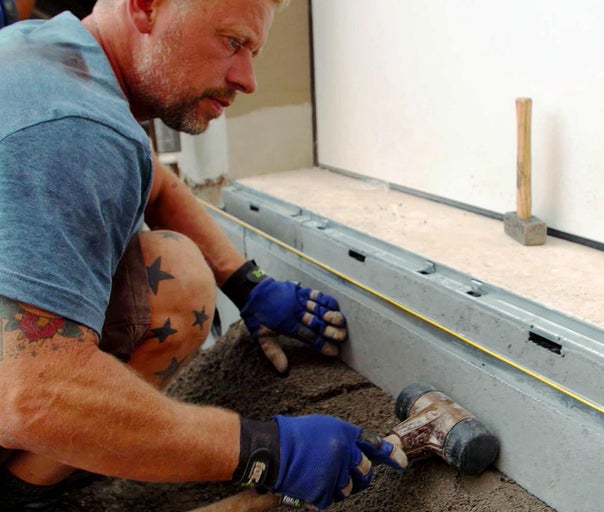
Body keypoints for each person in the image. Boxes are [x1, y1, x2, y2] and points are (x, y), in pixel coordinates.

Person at [0, 0, 406, 510]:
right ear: (146, 8)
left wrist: (246, 283)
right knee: (52, 395)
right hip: (19, 391)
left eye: (253, 51)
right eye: (231, 42)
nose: (248, 79)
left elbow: (156, 182)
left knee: (178, 276)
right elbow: (32, 394)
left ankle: (38, 477)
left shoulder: (55, 55)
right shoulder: (73, 131)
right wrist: (264, 453)